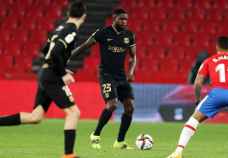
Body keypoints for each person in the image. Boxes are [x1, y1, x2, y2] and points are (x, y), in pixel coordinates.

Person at [0, 1, 86, 158]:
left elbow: (46, 50)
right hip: (52, 76)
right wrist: (62, 73)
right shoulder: (71, 30)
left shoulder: (58, 28)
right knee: (74, 112)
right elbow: (55, 53)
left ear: (68, 14)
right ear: (84, 16)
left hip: (45, 74)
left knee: (36, 117)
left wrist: (56, 67)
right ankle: (69, 155)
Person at [66, 8, 137, 149]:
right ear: (114, 18)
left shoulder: (129, 35)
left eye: (126, 19)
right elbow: (85, 46)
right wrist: (66, 57)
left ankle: (120, 142)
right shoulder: (103, 33)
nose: (124, 22)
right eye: (121, 19)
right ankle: (96, 134)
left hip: (121, 76)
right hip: (106, 75)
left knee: (129, 107)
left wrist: (131, 72)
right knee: (112, 105)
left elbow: (133, 56)